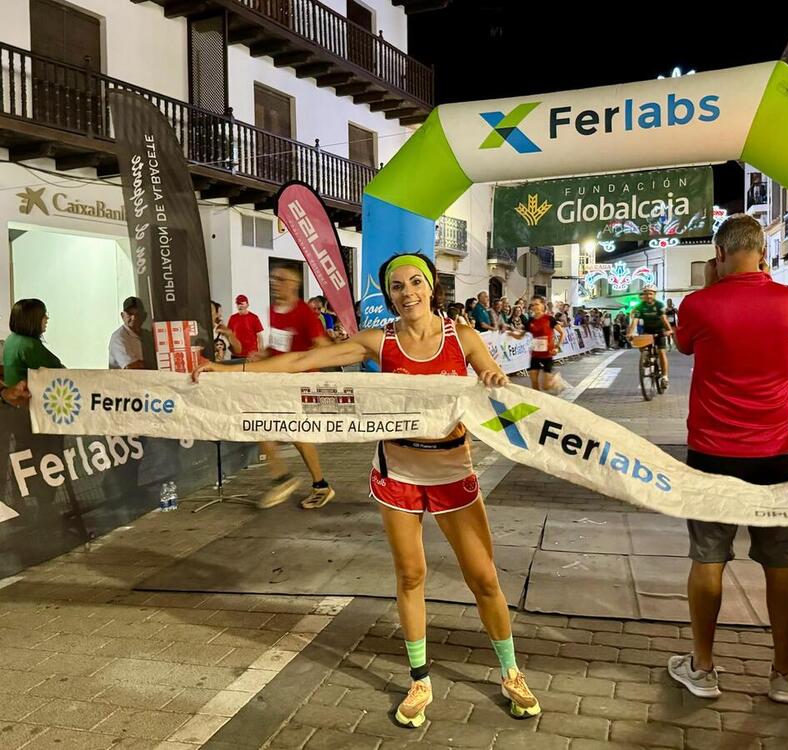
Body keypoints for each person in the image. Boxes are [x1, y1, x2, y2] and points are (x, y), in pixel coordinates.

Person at [194, 252, 541, 727]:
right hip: (397, 475)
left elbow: (493, 379)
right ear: (389, 295)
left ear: (431, 286)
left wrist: (494, 378)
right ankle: (420, 680)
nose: (407, 292)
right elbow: (304, 360)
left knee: (484, 579)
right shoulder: (381, 340)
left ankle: (510, 672)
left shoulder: (462, 337)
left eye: (415, 282)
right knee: (411, 576)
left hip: (452, 475)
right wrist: (229, 371)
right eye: (396, 287)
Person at [670, 214, 788, 705]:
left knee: (708, 558)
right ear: (763, 252)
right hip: (775, 455)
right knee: (780, 560)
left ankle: (704, 668)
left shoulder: (698, 304)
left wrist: (713, 285)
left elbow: (682, 344)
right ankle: (783, 673)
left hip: (711, 452)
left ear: (719, 253)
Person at [255, 263, 336, 510]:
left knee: (282, 431)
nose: (275, 284)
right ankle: (308, 483)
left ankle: (297, 481)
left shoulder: (304, 313)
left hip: (300, 382)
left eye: (280, 279)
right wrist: (264, 355)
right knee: (275, 430)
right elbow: (279, 345)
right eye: (273, 279)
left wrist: (309, 360)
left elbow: (323, 346)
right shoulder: (273, 311)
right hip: (279, 381)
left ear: (293, 284)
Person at [511, 296, 564, 393]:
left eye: (537, 304)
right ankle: (539, 404)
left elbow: (562, 333)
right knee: (534, 385)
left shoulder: (549, 319)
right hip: (535, 354)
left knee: (546, 386)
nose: (535, 307)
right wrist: (510, 333)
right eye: (533, 305)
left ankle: (555, 380)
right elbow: (520, 336)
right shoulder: (530, 320)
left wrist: (557, 347)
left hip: (547, 354)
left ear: (543, 305)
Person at [4, 299, 63, 386]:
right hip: (26, 397)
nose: (47, 318)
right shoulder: (28, 345)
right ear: (32, 319)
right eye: (43, 315)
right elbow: (57, 370)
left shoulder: (11, 338)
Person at [628, 286, 672, 390]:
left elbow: (664, 319)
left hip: (659, 330)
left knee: (661, 352)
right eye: (646, 294)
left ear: (654, 294)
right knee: (640, 343)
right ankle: (646, 357)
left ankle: (665, 377)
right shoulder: (640, 306)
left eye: (651, 294)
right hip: (647, 330)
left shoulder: (659, 305)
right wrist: (630, 333)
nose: (648, 296)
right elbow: (635, 321)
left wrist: (669, 330)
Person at [109, 297, 147, 370]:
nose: (133, 318)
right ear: (122, 316)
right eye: (129, 314)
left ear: (144, 316)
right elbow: (131, 366)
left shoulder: (148, 335)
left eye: (137, 314)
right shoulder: (118, 337)